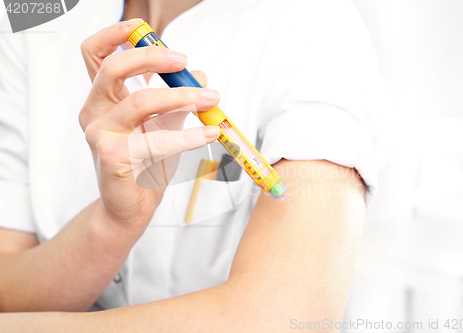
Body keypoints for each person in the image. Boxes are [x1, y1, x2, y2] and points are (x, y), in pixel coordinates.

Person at [0, 0, 391, 330]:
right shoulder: (31, 16)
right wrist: (111, 226)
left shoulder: (317, 25)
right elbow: (7, 280)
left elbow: (286, 317)